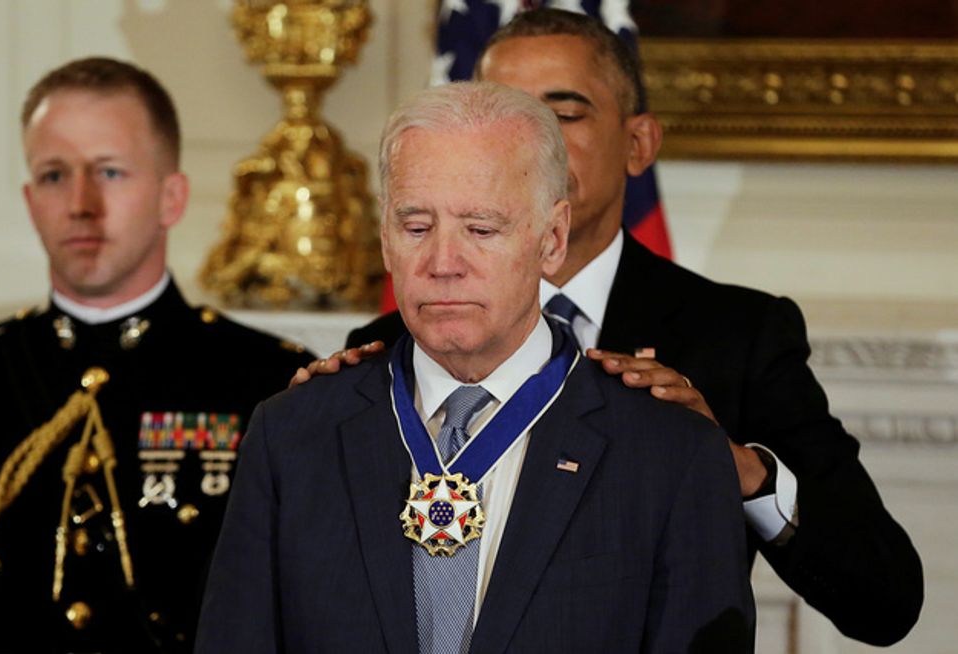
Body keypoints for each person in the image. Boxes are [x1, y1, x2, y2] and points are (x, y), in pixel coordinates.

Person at [328, 8, 923, 647]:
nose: (533, 143)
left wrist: (735, 468)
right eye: (507, 115)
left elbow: (884, 599)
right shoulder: (396, 338)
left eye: (564, 113)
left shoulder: (736, 336)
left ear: (638, 144)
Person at [195, 81, 754, 653]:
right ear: (386, 239)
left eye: (481, 230)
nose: (442, 263)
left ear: (552, 239)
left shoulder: (670, 451)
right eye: (416, 227)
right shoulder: (293, 434)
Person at [0, 57, 315, 653]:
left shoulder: (269, 381)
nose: (81, 203)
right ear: (31, 202)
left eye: (110, 172)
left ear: (171, 197)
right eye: (55, 175)